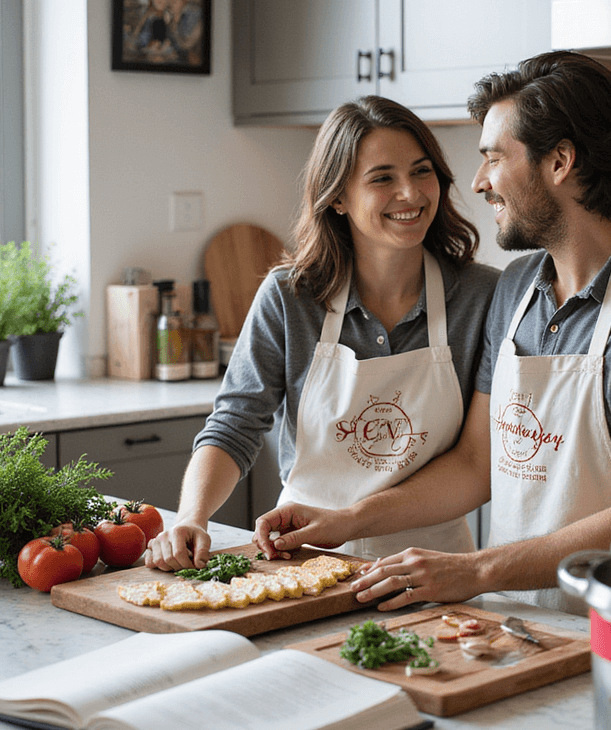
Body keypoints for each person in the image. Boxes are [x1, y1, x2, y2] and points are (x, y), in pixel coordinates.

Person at [254, 51, 611, 611]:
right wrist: (346, 520)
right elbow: (475, 464)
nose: (479, 182)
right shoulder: (515, 289)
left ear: (559, 161)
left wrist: (477, 569)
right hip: (513, 625)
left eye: (492, 158)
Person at [146, 96, 500, 571]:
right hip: (304, 559)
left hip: (433, 565)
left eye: (422, 171)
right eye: (382, 178)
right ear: (337, 197)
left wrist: (353, 519)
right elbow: (235, 424)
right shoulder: (290, 298)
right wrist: (193, 516)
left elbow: (476, 460)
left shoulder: (482, 297)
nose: (411, 194)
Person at [166, 0, 204, 65]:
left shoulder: (192, 15)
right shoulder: (170, 20)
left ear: (184, 0)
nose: (172, 1)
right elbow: (175, 47)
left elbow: (186, 45)